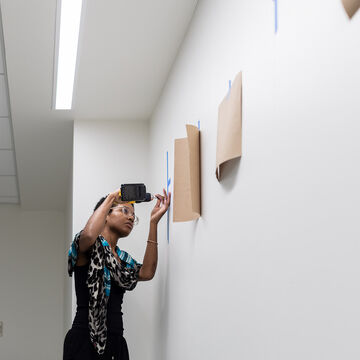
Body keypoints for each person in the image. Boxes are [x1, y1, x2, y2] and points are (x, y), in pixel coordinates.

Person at [63, 188, 171, 360]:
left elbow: (147, 272)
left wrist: (153, 223)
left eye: (133, 216)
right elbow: (90, 234)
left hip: (116, 344)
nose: (130, 217)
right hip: (84, 341)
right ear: (106, 214)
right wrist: (113, 196)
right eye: (125, 210)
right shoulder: (86, 245)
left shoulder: (123, 261)